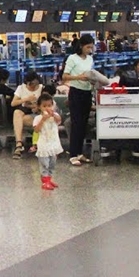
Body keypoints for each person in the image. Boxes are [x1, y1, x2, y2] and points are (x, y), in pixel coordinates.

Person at [62, 34, 97, 166]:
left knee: (83, 124)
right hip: (76, 92)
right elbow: (65, 76)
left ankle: (79, 153)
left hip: (87, 92)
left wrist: (92, 81)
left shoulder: (90, 59)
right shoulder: (72, 58)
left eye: (91, 47)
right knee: (76, 124)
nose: (89, 50)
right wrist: (78, 77)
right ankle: (73, 154)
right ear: (81, 46)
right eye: (87, 47)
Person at [33, 94, 63, 190]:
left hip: (53, 143)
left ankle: (49, 179)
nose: (47, 108)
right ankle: (44, 181)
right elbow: (36, 130)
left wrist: (53, 114)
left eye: (49, 105)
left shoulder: (54, 116)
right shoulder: (38, 118)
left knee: (52, 163)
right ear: (39, 107)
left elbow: (59, 120)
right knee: (44, 164)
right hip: (44, 145)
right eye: (44, 106)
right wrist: (43, 119)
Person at [11, 71, 43, 159]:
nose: (32, 86)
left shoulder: (42, 89)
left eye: (35, 84)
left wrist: (34, 105)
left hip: (37, 114)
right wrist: (26, 99)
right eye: (31, 84)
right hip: (24, 111)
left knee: (19, 120)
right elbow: (13, 103)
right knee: (17, 112)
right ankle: (19, 143)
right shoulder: (21, 88)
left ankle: (19, 145)